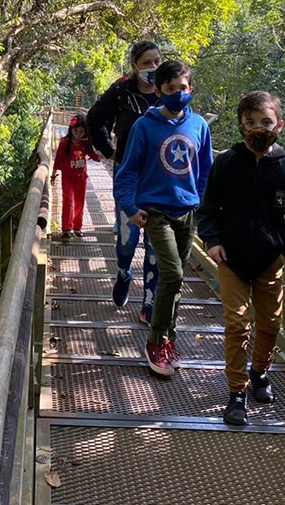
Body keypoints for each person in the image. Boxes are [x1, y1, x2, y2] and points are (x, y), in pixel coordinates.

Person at [196, 91, 285, 425]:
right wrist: (212, 242)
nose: (258, 129)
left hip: (270, 262)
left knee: (271, 324)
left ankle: (260, 372)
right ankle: (237, 394)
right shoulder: (227, 162)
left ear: (279, 126)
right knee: (236, 325)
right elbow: (208, 208)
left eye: (265, 122)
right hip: (230, 259)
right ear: (241, 126)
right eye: (250, 123)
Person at [114, 60, 213, 377]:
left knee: (177, 278)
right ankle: (156, 340)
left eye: (182, 89)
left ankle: (168, 338)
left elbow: (206, 171)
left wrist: (198, 201)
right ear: (159, 91)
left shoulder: (199, 126)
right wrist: (130, 207)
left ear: (190, 89)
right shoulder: (145, 126)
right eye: (170, 89)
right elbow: (126, 173)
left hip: (188, 213)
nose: (177, 94)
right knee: (171, 273)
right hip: (156, 212)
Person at [87, 41, 162, 324]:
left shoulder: (167, 90)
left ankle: (150, 302)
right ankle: (123, 272)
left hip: (159, 179)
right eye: (146, 63)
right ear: (134, 66)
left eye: (157, 62)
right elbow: (94, 120)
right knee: (128, 240)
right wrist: (109, 152)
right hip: (128, 175)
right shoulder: (121, 91)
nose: (153, 68)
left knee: (155, 243)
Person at [51, 114, 102, 238]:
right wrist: (53, 175)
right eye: (76, 131)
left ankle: (77, 227)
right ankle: (66, 228)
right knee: (68, 201)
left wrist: (104, 151)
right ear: (71, 129)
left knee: (79, 203)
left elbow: (95, 156)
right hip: (68, 178)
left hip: (81, 178)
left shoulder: (85, 143)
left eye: (81, 131)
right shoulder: (64, 142)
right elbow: (58, 160)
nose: (78, 134)